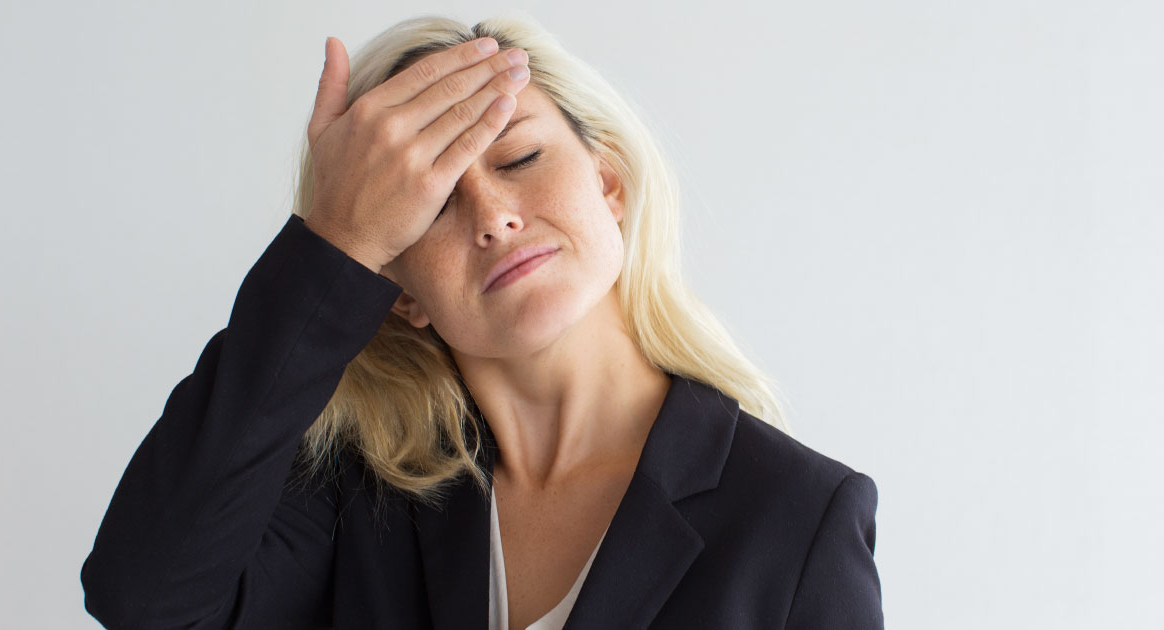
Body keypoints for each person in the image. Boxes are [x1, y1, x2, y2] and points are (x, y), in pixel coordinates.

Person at [80, 12, 883, 630]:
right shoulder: (354, 498)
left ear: (609, 186)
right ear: (397, 292)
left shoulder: (797, 514)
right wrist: (334, 240)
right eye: (430, 208)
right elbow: (146, 599)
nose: (493, 217)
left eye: (520, 159)